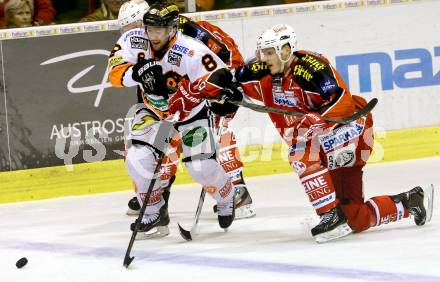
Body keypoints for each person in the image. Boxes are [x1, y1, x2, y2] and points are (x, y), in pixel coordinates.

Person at [183, 23, 435, 243]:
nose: (264, 57)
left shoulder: (311, 69)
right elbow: (230, 79)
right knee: (354, 218)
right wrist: (217, 93)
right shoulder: (263, 72)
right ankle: (408, 202)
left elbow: (342, 103)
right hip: (321, 142)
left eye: (270, 52)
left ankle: (330, 216)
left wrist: (317, 118)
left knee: (301, 153)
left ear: (285, 50)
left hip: (350, 133)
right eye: (263, 52)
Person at [107, 2, 239, 239]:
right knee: (137, 159)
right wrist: (137, 72)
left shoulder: (191, 50)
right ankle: (153, 212)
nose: (152, 36)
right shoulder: (134, 40)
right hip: (154, 113)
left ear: (172, 29)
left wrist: (224, 96)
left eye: (158, 30)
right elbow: (113, 75)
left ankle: (227, 196)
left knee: (200, 167)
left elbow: (219, 79)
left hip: (191, 114)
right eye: (149, 29)